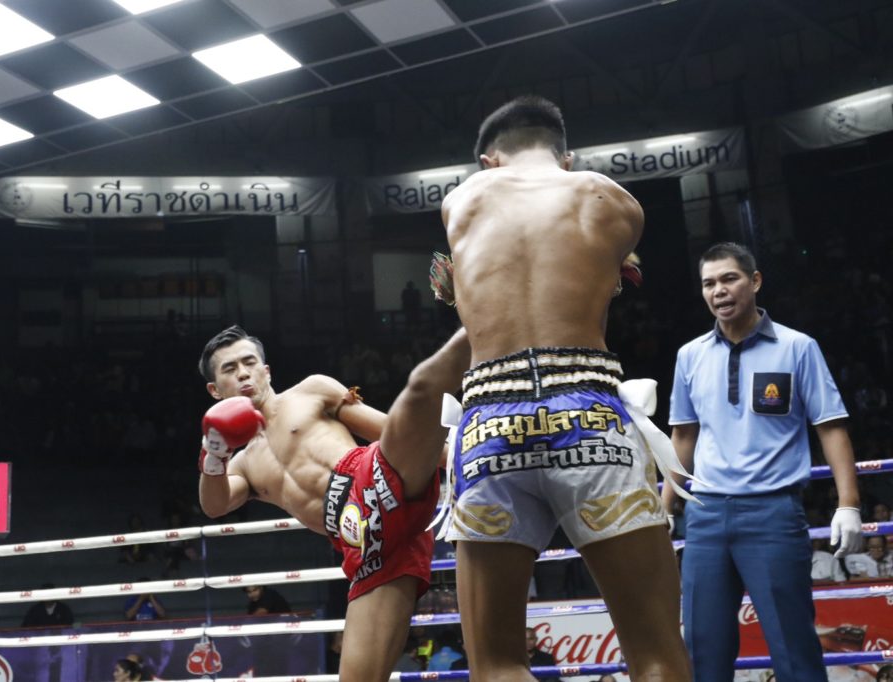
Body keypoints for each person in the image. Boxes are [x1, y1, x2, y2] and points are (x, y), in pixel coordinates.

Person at [438, 95, 691, 680]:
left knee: (496, 663)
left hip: (489, 422)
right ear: (566, 156)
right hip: (589, 414)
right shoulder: (611, 200)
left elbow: (477, 279)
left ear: (488, 160)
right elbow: (603, 270)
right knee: (656, 651)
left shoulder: (461, 200)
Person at [197, 324, 471, 681]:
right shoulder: (242, 463)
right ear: (215, 390)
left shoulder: (311, 391)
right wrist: (213, 455)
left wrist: (461, 461)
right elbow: (214, 505)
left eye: (249, 363)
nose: (243, 373)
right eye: (230, 369)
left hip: (370, 479)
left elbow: (389, 431)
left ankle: (477, 326)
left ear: (267, 370)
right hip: (360, 541)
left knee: (420, 393)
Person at [664, 241, 863, 681]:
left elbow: (831, 427)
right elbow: (683, 436)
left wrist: (848, 504)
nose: (719, 290)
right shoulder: (690, 355)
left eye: (729, 278)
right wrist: (664, 508)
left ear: (754, 281)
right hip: (705, 516)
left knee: (794, 649)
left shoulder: (797, 347)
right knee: (703, 649)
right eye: (709, 283)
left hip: (773, 512)